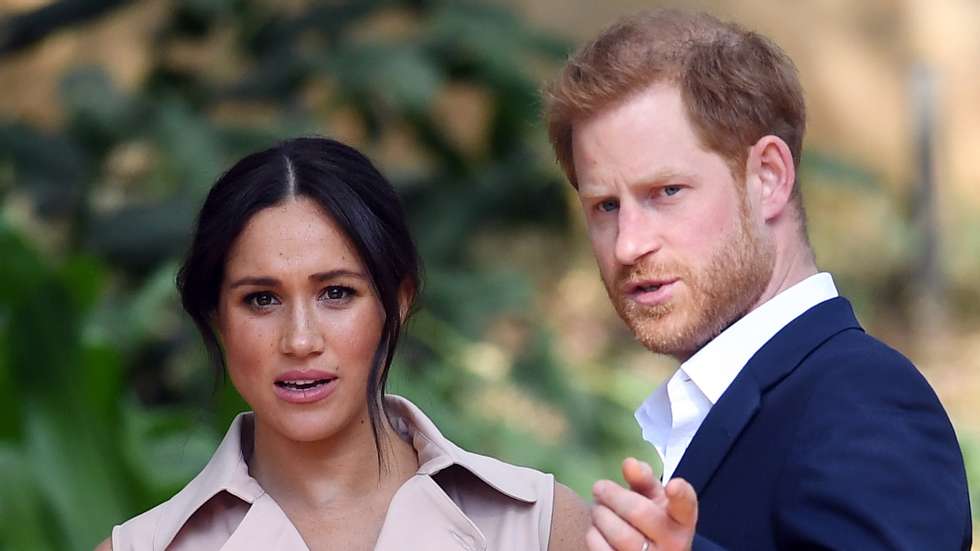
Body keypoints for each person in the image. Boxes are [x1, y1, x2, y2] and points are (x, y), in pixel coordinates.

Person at [543, 9, 971, 551]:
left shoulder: (866, 402)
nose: (628, 244)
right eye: (605, 205)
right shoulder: (767, 402)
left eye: (667, 192)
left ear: (768, 177)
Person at [96, 137, 589, 550]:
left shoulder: (540, 528)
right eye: (262, 299)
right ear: (218, 318)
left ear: (396, 302)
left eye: (336, 293)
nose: (301, 339)